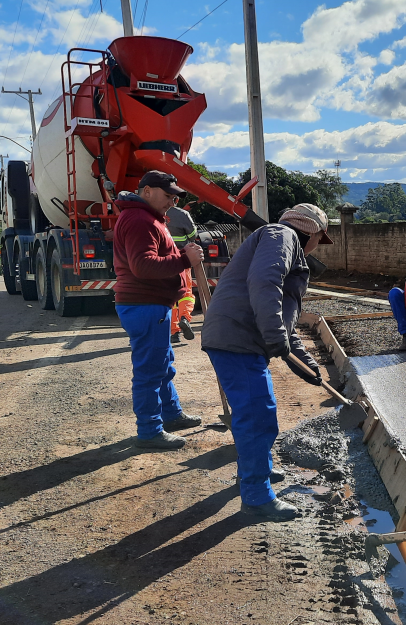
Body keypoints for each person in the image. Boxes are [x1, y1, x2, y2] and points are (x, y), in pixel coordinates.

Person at [201, 203, 333, 522]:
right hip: (239, 339)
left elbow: (285, 324)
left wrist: (309, 368)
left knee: (259, 411)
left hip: (241, 337)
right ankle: (257, 496)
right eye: (319, 239)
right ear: (311, 233)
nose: (318, 246)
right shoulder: (281, 235)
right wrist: (274, 335)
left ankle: (258, 470)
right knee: (258, 416)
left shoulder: (281, 241)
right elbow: (265, 282)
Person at [114, 171, 205, 449]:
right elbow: (143, 266)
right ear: (147, 191)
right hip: (146, 305)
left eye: (174, 197)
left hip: (151, 305)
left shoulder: (146, 217)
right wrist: (184, 260)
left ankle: (171, 414)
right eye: (168, 195)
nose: (172, 201)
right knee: (151, 370)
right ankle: (150, 430)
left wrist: (180, 256)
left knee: (162, 365)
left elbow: (152, 259)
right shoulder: (140, 220)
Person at [166, 197, 198, 344]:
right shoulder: (182, 214)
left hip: (164, 261)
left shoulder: (154, 213)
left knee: (170, 297)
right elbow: (193, 235)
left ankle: (174, 333)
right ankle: (185, 318)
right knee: (186, 293)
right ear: (177, 199)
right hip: (183, 259)